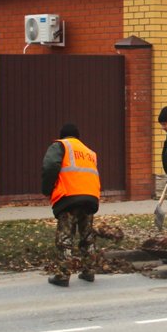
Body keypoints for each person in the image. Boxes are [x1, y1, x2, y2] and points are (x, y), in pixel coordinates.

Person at [41, 123, 101, 287]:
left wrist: (47, 189)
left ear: (62, 135)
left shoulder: (60, 145)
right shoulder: (89, 152)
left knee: (65, 237)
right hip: (90, 198)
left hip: (69, 197)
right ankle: (89, 271)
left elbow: (50, 166)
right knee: (87, 236)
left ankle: (63, 275)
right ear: (78, 136)